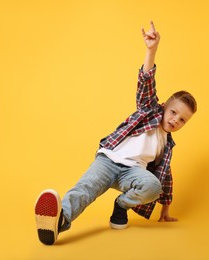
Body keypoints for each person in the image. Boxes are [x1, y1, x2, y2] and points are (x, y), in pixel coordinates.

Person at [34, 21, 197, 246]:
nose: (175, 120)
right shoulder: (149, 110)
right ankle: (59, 221)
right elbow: (146, 82)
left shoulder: (167, 145)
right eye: (173, 112)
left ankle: (120, 206)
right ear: (164, 105)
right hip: (109, 161)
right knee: (86, 189)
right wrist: (152, 50)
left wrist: (165, 209)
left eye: (182, 120)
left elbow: (165, 180)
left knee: (154, 186)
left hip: (132, 174)